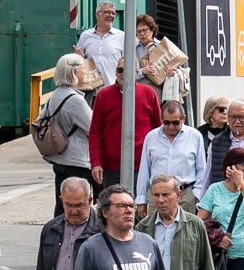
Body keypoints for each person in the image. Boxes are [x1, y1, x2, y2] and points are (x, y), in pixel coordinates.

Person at [87, 59, 162, 188]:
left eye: (128, 70)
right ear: (116, 72)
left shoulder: (149, 94)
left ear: (136, 73)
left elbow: (158, 132)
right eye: (120, 70)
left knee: (139, 207)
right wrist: (96, 163)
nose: (123, 74)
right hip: (111, 169)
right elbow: (95, 134)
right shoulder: (103, 96)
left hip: (142, 167)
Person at [34, 55, 95, 211]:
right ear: (74, 72)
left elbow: (40, 120)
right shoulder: (76, 100)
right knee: (79, 207)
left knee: (62, 205)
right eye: (82, 68)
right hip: (77, 161)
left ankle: (58, 233)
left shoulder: (55, 94)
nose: (85, 71)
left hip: (59, 159)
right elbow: (93, 128)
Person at [136, 100, 207, 207]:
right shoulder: (151, 137)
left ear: (183, 119)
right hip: (156, 195)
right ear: (161, 118)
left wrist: (196, 194)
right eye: (166, 123)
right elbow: (145, 170)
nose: (171, 127)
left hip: (184, 194)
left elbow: (202, 169)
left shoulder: (195, 136)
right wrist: (141, 199)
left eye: (175, 123)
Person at [75, 0, 125, 90]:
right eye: (107, 12)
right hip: (91, 91)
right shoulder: (85, 36)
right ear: (97, 14)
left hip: (113, 90)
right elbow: (77, 63)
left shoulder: (122, 36)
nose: (111, 15)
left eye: (113, 13)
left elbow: (128, 64)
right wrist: (78, 57)